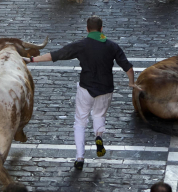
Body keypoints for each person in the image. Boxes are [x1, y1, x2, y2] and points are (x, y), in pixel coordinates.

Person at [23, 16, 136, 171]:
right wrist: (131, 82)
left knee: (80, 121)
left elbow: (56, 55)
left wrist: (32, 60)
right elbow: (129, 68)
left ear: (87, 29)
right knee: (99, 115)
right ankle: (98, 136)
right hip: (105, 89)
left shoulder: (81, 45)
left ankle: (79, 157)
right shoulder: (112, 46)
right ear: (102, 29)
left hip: (85, 89)